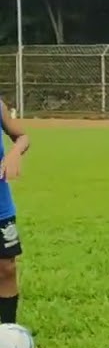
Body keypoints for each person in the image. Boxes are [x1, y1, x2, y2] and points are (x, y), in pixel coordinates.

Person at [0, 97, 31, 325]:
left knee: (7, 268)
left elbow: (22, 136)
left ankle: (8, 331)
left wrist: (14, 152)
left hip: (1, 206)